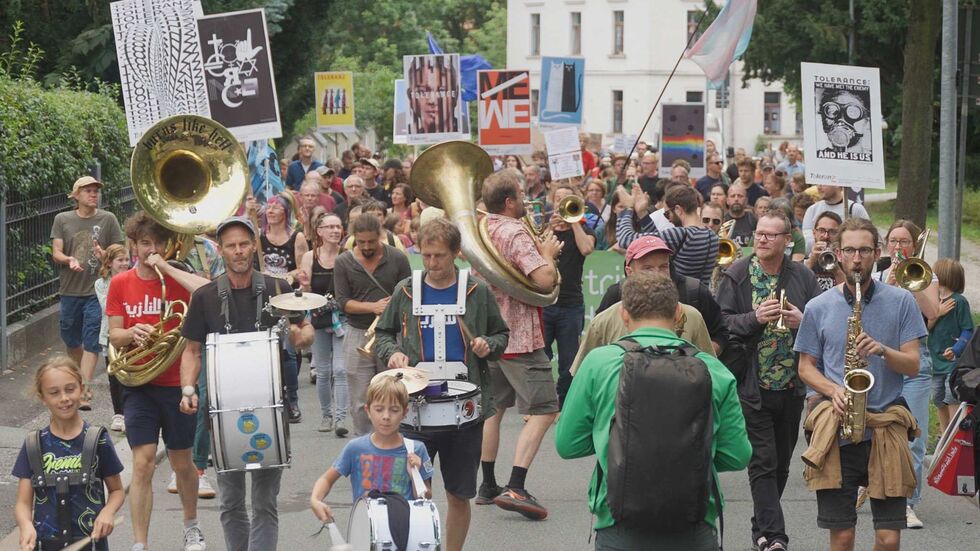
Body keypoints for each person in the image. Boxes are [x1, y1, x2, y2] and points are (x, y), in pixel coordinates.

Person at [556, 272, 751, 550]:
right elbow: (737, 455)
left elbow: (568, 445)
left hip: (618, 522)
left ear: (624, 315)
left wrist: (615, 444)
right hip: (694, 521)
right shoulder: (712, 368)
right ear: (678, 312)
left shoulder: (598, 363)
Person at [374, 218, 510, 551]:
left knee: (459, 494)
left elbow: (501, 335)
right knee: (409, 490)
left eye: (440, 256)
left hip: (465, 412)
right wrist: (392, 354)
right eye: (427, 255)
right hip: (414, 410)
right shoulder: (406, 289)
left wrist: (486, 345)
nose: (432, 264)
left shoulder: (476, 291)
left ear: (456, 254)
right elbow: (383, 333)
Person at [178, 216, 312, 551]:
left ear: (254, 246)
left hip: (270, 408)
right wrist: (188, 389)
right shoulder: (205, 297)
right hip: (221, 414)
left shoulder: (276, 288)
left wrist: (299, 336)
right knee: (232, 502)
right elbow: (192, 352)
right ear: (220, 251)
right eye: (230, 246)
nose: (238, 251)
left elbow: (305, 331)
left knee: (265, 502)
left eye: (243, 244)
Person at [795, 217, 925, 551]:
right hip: (838, 428)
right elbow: (806, 368)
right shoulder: (817, 307)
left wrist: (882, 350)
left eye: (864, 250)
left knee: (888, 537)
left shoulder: (902, 302)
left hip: (885, 428)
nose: (857, 258)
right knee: (842, 536)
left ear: (877, 253)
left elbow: (912, 365)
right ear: (837, 254)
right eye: (850, 250)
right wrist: (832, 389)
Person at [105, 211, 211, 551]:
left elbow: (208, 291)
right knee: (142, 461)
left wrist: (166, 267)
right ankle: (140, 543)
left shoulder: (176, 276)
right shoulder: (120, 283)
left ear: (166, 246)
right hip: (139, 386)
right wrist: (131, 332)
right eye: (144, 244)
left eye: (157, 244)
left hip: (176, 382)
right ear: (133, 245)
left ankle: (191, 525)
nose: (150, 250)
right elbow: (114, 333)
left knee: (183, 463)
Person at [715, 210, 821, 551]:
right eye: (760, 233)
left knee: (781, 464)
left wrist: (802, 321)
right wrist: (754, 317)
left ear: (787, 240)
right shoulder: (737, 274)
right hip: (752, 385)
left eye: (771, 235)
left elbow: (824, 323)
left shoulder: (803, 276)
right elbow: (720, 324)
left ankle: (761, 528)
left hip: (792, 385)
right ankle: (775, 537)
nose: (762, 239)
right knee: (762, 460)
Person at [475, 169, 562, 520]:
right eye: (522, 195)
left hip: (490, 334)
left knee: (493, 411)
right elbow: (543, 278)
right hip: (519, 337)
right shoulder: (514, 232)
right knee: (545, 410)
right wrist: (548, 253)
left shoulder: (482, 229)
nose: (526, 200)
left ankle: (487, 485)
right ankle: (516, 485)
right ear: (509, 201)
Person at [13, 357, 125, 551]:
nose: (64, 398)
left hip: (91, 544)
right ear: (42, 397)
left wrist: (108, 512)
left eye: (70, 389)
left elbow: (116, 490)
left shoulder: (98, 439)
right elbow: (23, 502)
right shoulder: (34, 444)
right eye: (54, 393)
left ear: (82, 389)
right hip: (45, 544)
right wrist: (25, 525)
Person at [873, 220, 941, 527]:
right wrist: (888, 283)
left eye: (904, 242)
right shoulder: (876, 276)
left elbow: (933, 314)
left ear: (914, 247)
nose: (898, 247)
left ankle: (907, 503)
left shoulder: (926, 275)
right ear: (886, 244)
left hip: (915, 362)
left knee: (913, 436)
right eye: (893, 241)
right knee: (874, 431)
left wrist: (911, 285)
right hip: (881, 361)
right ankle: (871, 483)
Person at [571, 236, 716, 376]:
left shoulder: (692, 316)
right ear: (629, 272)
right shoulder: (603, 321)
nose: (657, 274)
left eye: (663, 267)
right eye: (647, 268)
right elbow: (584, 376)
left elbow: (712, 373)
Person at [309, 376, 434, 524]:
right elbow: (327, 479)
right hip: (366, 527)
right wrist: (315, 499)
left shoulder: (416, 449)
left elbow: (426, 498)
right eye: (379, 409)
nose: (386, 416)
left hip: (404, 527)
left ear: (405, 412)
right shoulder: (355, 448)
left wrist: (415, 476)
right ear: (368, 410)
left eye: (394, 410)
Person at [334, 214, 412, 436]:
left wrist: (393, 307)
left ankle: (395, 444)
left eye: (371, 241)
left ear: (381, 236)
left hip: (392, 335)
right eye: (361, 242)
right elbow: (343, 302)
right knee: (360, 399)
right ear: (353, 238)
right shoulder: (344, 262)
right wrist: (373, 307)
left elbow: (409, 294)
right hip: (359, 333)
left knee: (395, 394)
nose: (366, 246)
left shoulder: (397, 258)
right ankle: (365, 445)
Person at [51, 176, 124, 409]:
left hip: (98, 289)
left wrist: (107, 257)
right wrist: (69, 259)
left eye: (96, 191)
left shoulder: (108, 219)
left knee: (92, 338)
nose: (94, 194)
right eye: (88, 191)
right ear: (77, 196)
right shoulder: (62, 219)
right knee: (71, 338)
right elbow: (56, 252)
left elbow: (119, 251)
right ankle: (79, 376)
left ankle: (84, 388)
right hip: (70, 289)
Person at [252, 193, 309, 422]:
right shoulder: (259, 238)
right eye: (269, 208)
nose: (272, 211)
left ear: (285, 212)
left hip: (287, 296)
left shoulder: (296, 237)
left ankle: (292, 399)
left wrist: (288, 275)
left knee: (288, 348)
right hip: (264, 296)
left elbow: (302, 268)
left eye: (276, 207)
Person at [542, 185, 595, 406]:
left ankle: (564, 403)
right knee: (541, 358)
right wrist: (549, 229)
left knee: (568, 359)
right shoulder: (545, 229)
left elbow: (586, 249)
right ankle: (542, 404)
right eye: (558, 198)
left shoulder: (584, 229)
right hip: (545, 303)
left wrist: (574, 223)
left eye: (567, 199)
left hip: (571, 305)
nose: (561, 202)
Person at [298, 212, 350, 436]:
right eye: (330, 227)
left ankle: (340, 419)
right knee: (323, 370)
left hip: (342, 319)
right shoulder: (310, 257)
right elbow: (305, 294)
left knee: (340, 369)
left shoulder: (347, 255)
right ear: (319, 231)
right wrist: (305, 285)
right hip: (318, 319)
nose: (335, 231)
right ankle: (326, 415)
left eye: (338, 227)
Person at [928, 258, 974, 433]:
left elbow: (968, 329)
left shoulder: (959, 301)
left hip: (952, 363)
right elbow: (926, 328)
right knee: (938, 398)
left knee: (951, 397)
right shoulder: (932, 300)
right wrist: (937, 313)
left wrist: (956, 350)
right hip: (935, 361)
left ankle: (955, 435)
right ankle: (944, 435)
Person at [94, 243, 130, 432]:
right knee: (114, 376)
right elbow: (108, 307)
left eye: (126, 260)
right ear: (110, 263)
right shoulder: (101, 284)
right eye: (120, 260)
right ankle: (118, 413)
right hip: (109, 333)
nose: (125, 263)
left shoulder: (133, 279)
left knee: (129, 373)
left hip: (129, 332)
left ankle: (129, 412)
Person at [659, 185, 719, 285]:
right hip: (701, 297)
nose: (668, 219)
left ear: (678, 209)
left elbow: (627, 239)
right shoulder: (713, 236)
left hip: (678, 297)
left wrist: (628, 210)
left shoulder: (679, 233)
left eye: (667, 214)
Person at [801, 185, 871, 254]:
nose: (818, 187)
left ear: (837, 184)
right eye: (817, 184)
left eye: (823, 183)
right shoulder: (812, 210)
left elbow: (869, 238)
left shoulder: (855, 209)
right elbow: (807, 245)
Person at [804, 211, 845, 292]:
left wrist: (836, 270)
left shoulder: (847, 261)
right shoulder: (804, 263)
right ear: (814, 233)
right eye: (821, 230)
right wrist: (812, 260)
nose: (826, 236)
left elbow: (850, 292)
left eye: (832, 232)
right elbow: (797, 286)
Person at [768, 198, 806, 262]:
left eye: (781, 213)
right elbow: (749, 259)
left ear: (789, 216)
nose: (777, 217)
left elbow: (797, 265)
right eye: (774, 213)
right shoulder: (760, 234)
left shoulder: (797, 238)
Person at [725, 182, 758, 248]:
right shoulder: (721, 220)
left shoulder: (753, 221)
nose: (736, 199)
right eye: (733, 196)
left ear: (746, 201)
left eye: (740, 196)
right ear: (727, 200)